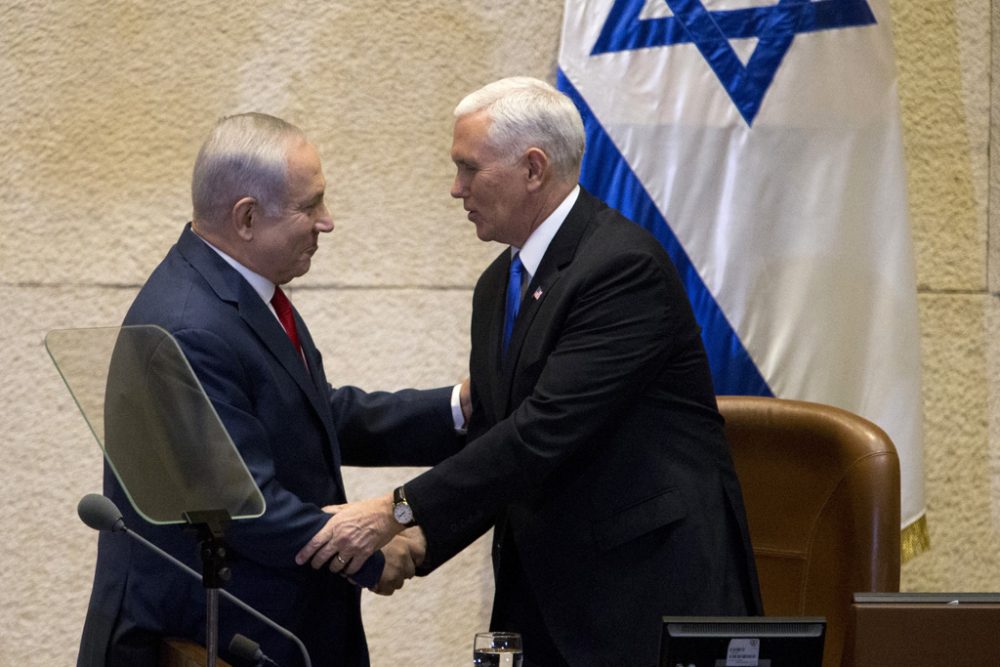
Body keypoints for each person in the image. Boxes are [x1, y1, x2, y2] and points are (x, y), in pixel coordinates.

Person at [297, 77, 763, 666]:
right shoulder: (499, 285)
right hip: (545, 599)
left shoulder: (621, 269)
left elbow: (541, 433)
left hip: (642, 602)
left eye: (469, 169)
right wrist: (420, 541)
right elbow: (499, 433)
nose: (455, 189)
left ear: (534, 168)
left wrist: (393, 512)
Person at [77, 112, 466, 667]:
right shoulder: (190, 324)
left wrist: (457, 408)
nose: (326, 222)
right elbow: (240, 504)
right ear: (247, 218)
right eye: (311, 206)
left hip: (271, 626)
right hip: (210, 638)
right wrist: (369, 553)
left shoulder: (240, 290)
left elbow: (313, 415)